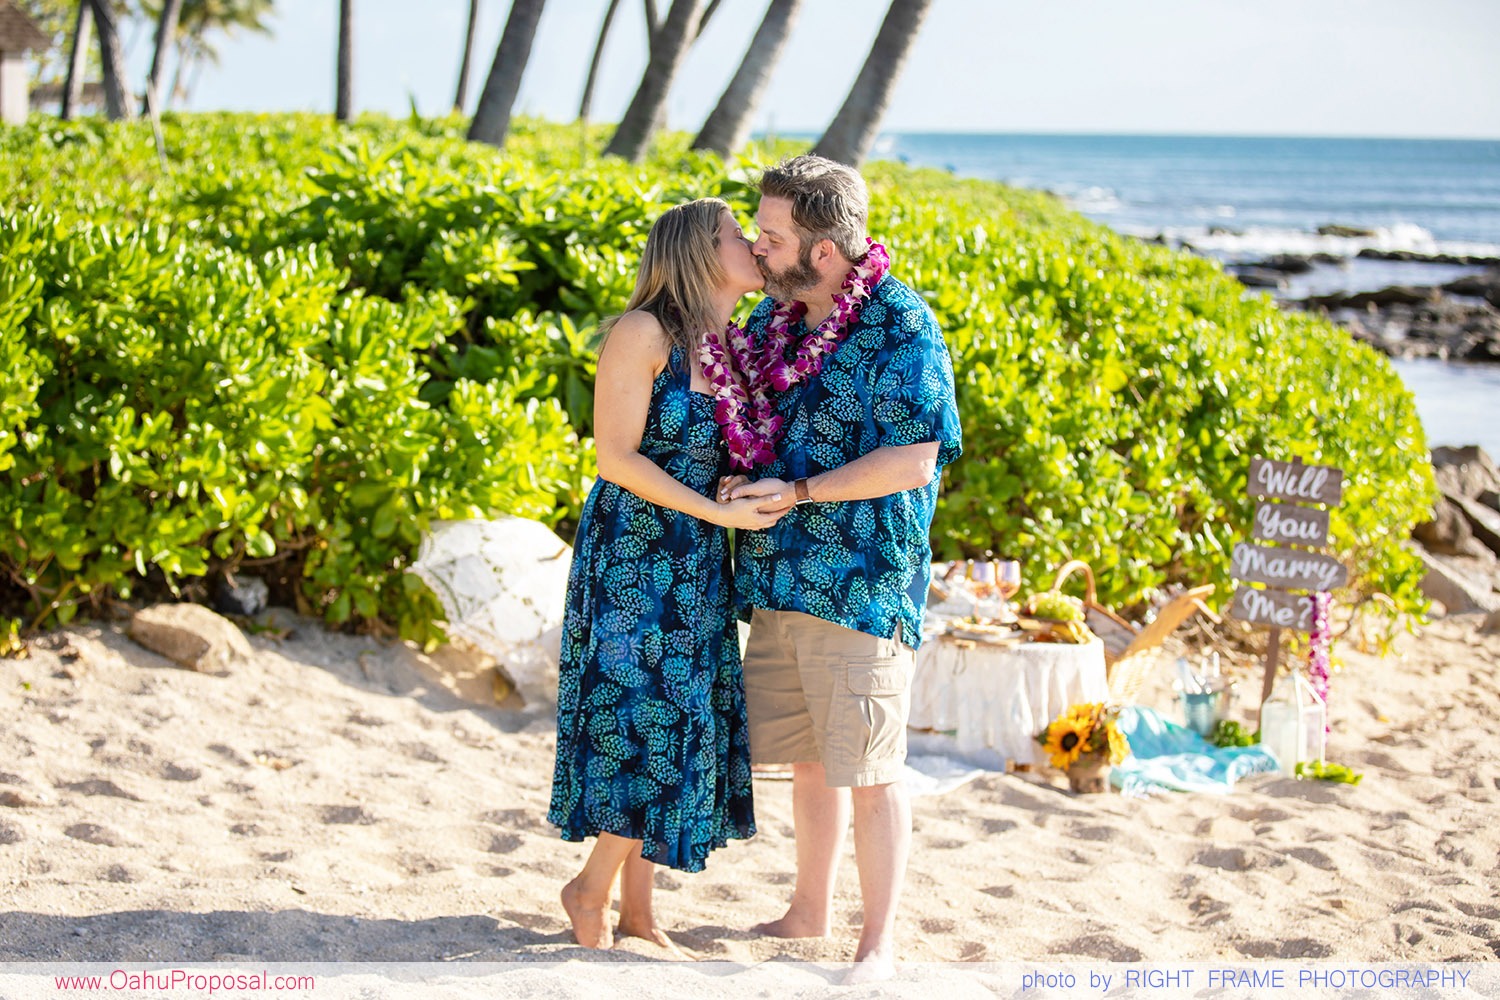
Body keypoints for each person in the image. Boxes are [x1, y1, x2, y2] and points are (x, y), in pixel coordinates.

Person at [715, 155, 962, 982]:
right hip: (781, 576)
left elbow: (915, 459)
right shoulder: (776, 321)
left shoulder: (899, 325)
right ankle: (808, 908)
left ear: (824, 252)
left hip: (862, 584)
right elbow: (738, 409)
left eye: (774, 234)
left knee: (871, 769)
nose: (758, 244)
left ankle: (877, 944)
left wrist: (804, 489)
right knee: (812, 757)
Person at [547, 198, 786, 952]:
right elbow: (616, 458)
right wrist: (718, 517)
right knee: (645, 722)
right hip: (633, 553)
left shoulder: (729, 344)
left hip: (695, 560)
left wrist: (733, 499)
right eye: (734, 235)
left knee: (676, 717)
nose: (751, 243)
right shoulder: (642, 331)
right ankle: (589, 891)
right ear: (698, 251)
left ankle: (638, 915)